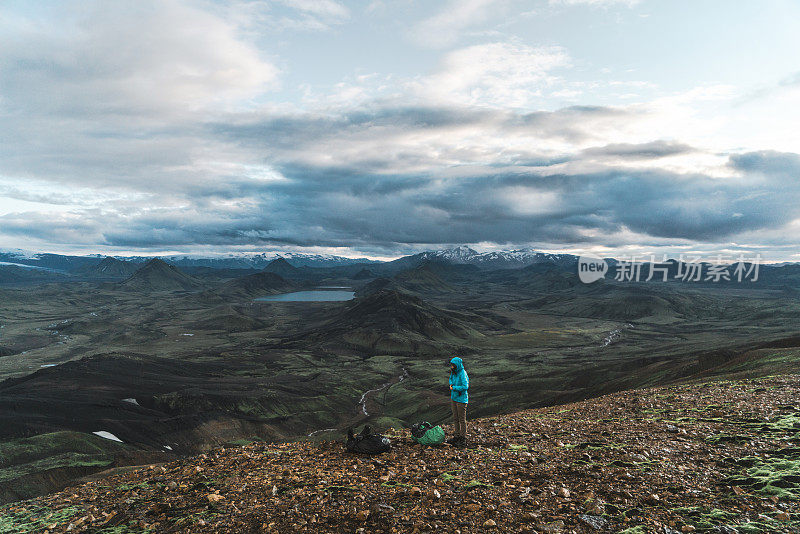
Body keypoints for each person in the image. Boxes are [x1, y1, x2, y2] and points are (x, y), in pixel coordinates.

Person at [446, 356, 469, 447]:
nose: (451, 366)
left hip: (461, 399)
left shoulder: (462, 373)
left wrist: (454, 388)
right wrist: (451, 383)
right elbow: (451, 379)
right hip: (454, 398)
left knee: (462, 420)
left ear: (457, 365)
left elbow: (465, 386)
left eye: (453, 365)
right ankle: (457, 436)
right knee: (455, 418)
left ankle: (462, 439)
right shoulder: (454, 372)